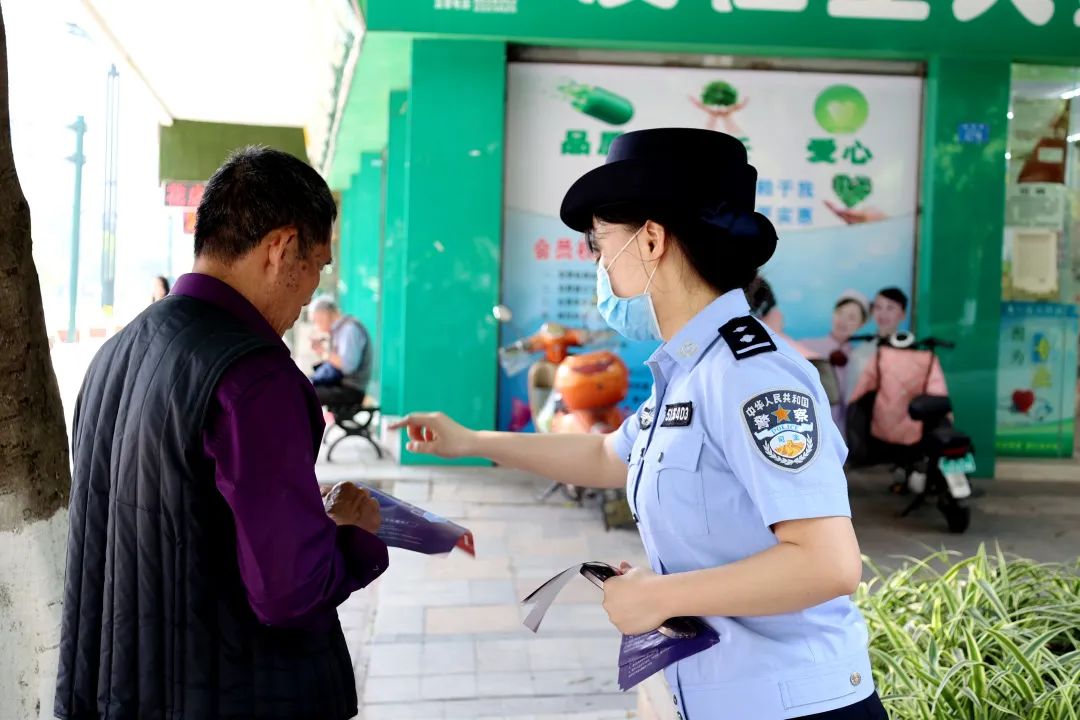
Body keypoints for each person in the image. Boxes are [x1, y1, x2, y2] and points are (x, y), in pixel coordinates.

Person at [392, 129, 886, 720]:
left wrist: (661, 595)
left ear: (651, 240)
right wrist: (470, 442)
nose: (599, 265)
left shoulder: (752, 375)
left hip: (799, 706)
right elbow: (607, 456)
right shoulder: (690, 369)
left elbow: (827, 562)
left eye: (601, 245)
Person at [55, 146, 388, 720]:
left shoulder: (115, 354)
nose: (312, 291)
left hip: (118, 689)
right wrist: (352, 532)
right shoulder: (254, 378)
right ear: (282, 248)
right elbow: (289, 588)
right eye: (318, 266)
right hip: (231, 691)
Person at [801, 291, 870, 433]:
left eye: (851, 317)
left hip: (843, 435)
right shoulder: (805, 348)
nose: (842, 321)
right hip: (809, 429)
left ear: (861, 324)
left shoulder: (860, 359)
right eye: (840, 313)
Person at [308, 295, 373, 406]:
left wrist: (324, 352)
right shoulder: (340, 330)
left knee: (304, 392)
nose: (316, 325)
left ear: (324, 314)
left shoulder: (349, 329)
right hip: (343, 386)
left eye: (315, 320)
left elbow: (348, 367)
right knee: (304, 386)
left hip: (351, 390)